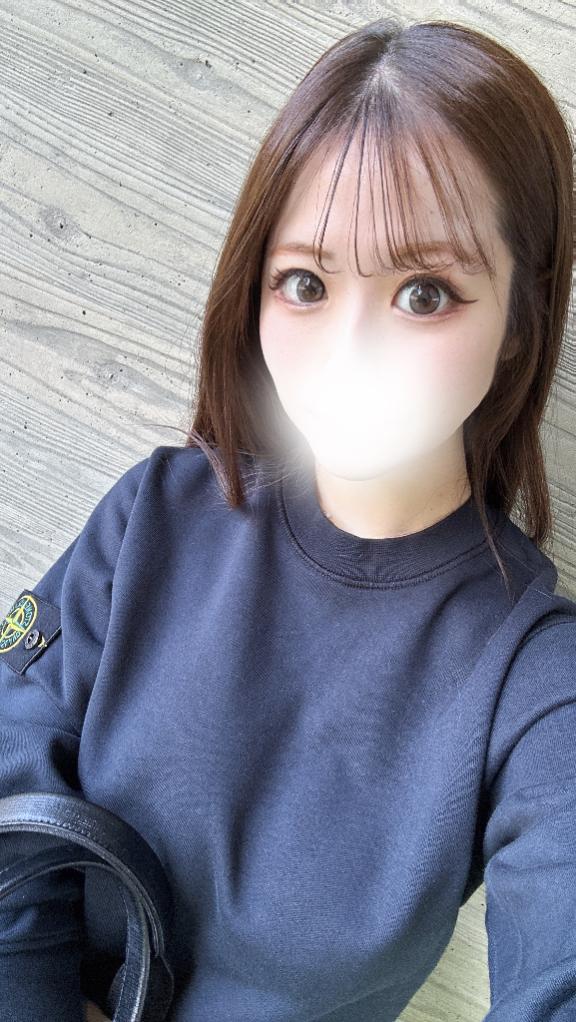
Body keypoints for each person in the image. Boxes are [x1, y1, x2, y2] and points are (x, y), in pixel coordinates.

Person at [1, 15, 574, 1022]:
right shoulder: (155, 515)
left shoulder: (534, 679)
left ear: (520, 321)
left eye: (425, 293)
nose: (351, 349)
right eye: (305, 283)